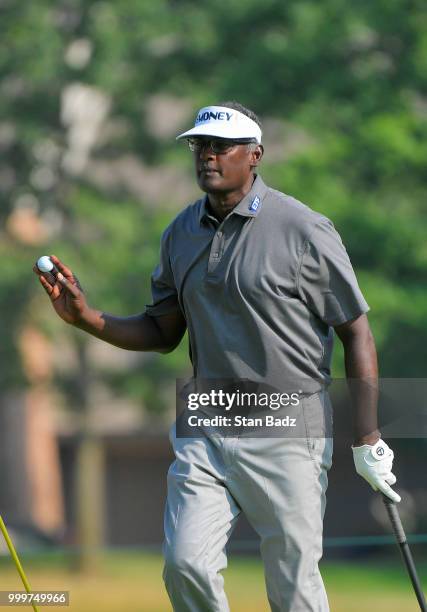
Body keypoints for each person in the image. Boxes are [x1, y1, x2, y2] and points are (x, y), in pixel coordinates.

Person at [34, 101, 400, 612]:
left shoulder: (304, 230)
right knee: (185, 565)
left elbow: (356, 332)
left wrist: (367, 438)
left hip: (289, 427)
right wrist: (86, 319)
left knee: (293, 588)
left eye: (221, 146)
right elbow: (163, 333)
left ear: (255, 155)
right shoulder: (180, 232)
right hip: (207, 425)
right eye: (200, 146)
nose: (207, 155)